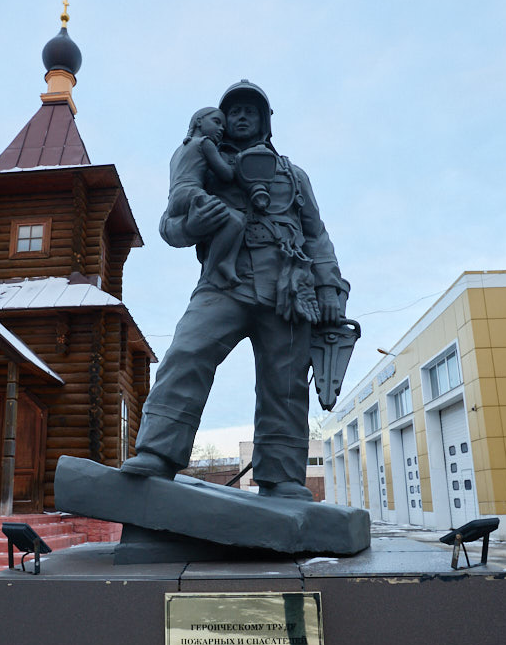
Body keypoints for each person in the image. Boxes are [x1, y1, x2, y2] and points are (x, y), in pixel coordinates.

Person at [120, 80, 349, 500]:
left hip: (289, 290)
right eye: (235, 111)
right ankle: (157, 453)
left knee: (286, 383)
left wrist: (331, 287)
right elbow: (169, 226)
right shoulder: (207, 164)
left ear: (265, 121)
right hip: (224, 281)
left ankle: (282, 478)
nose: (242, 117)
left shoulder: (294, 176)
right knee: (187, 352)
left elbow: (317, 236)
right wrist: (194, 225)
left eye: (251, 111)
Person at [166, 107, 242, 287]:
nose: (221, 129)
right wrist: (239, 164)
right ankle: (215, 269)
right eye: (217, 122)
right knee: (236, 221)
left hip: (176, 199)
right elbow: (226, 174)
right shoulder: (205, 143)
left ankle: (228, 262)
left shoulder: (178, 151)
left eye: (223, 127)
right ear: (199, 121)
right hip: (191, 193)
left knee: (232, 221)